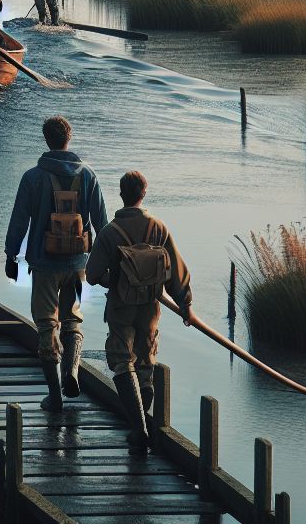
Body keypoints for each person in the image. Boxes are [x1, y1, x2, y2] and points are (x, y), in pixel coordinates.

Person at [84, 171, 193, 456]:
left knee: (121, 360)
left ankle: (139, 428)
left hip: (121, 306)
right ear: (144, 193)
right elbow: (177, 272)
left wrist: (114, 278)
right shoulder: (158, 227)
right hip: (151, 306)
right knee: (146, 359)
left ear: (121, 194)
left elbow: (93, 275)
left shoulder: (110, 232)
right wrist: (186, 305)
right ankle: (143, 409)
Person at [4, 116, 108, 411]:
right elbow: (103, 223)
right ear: (69, 138)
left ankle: (55, 396)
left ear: (46, 140)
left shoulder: (32, 177)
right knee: (72, 319)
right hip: (78, 264)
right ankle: (72, 372)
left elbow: (19, 221)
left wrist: (11, 255)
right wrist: (105, 261)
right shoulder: (88, 176)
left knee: (47, 324)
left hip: (44, 263)